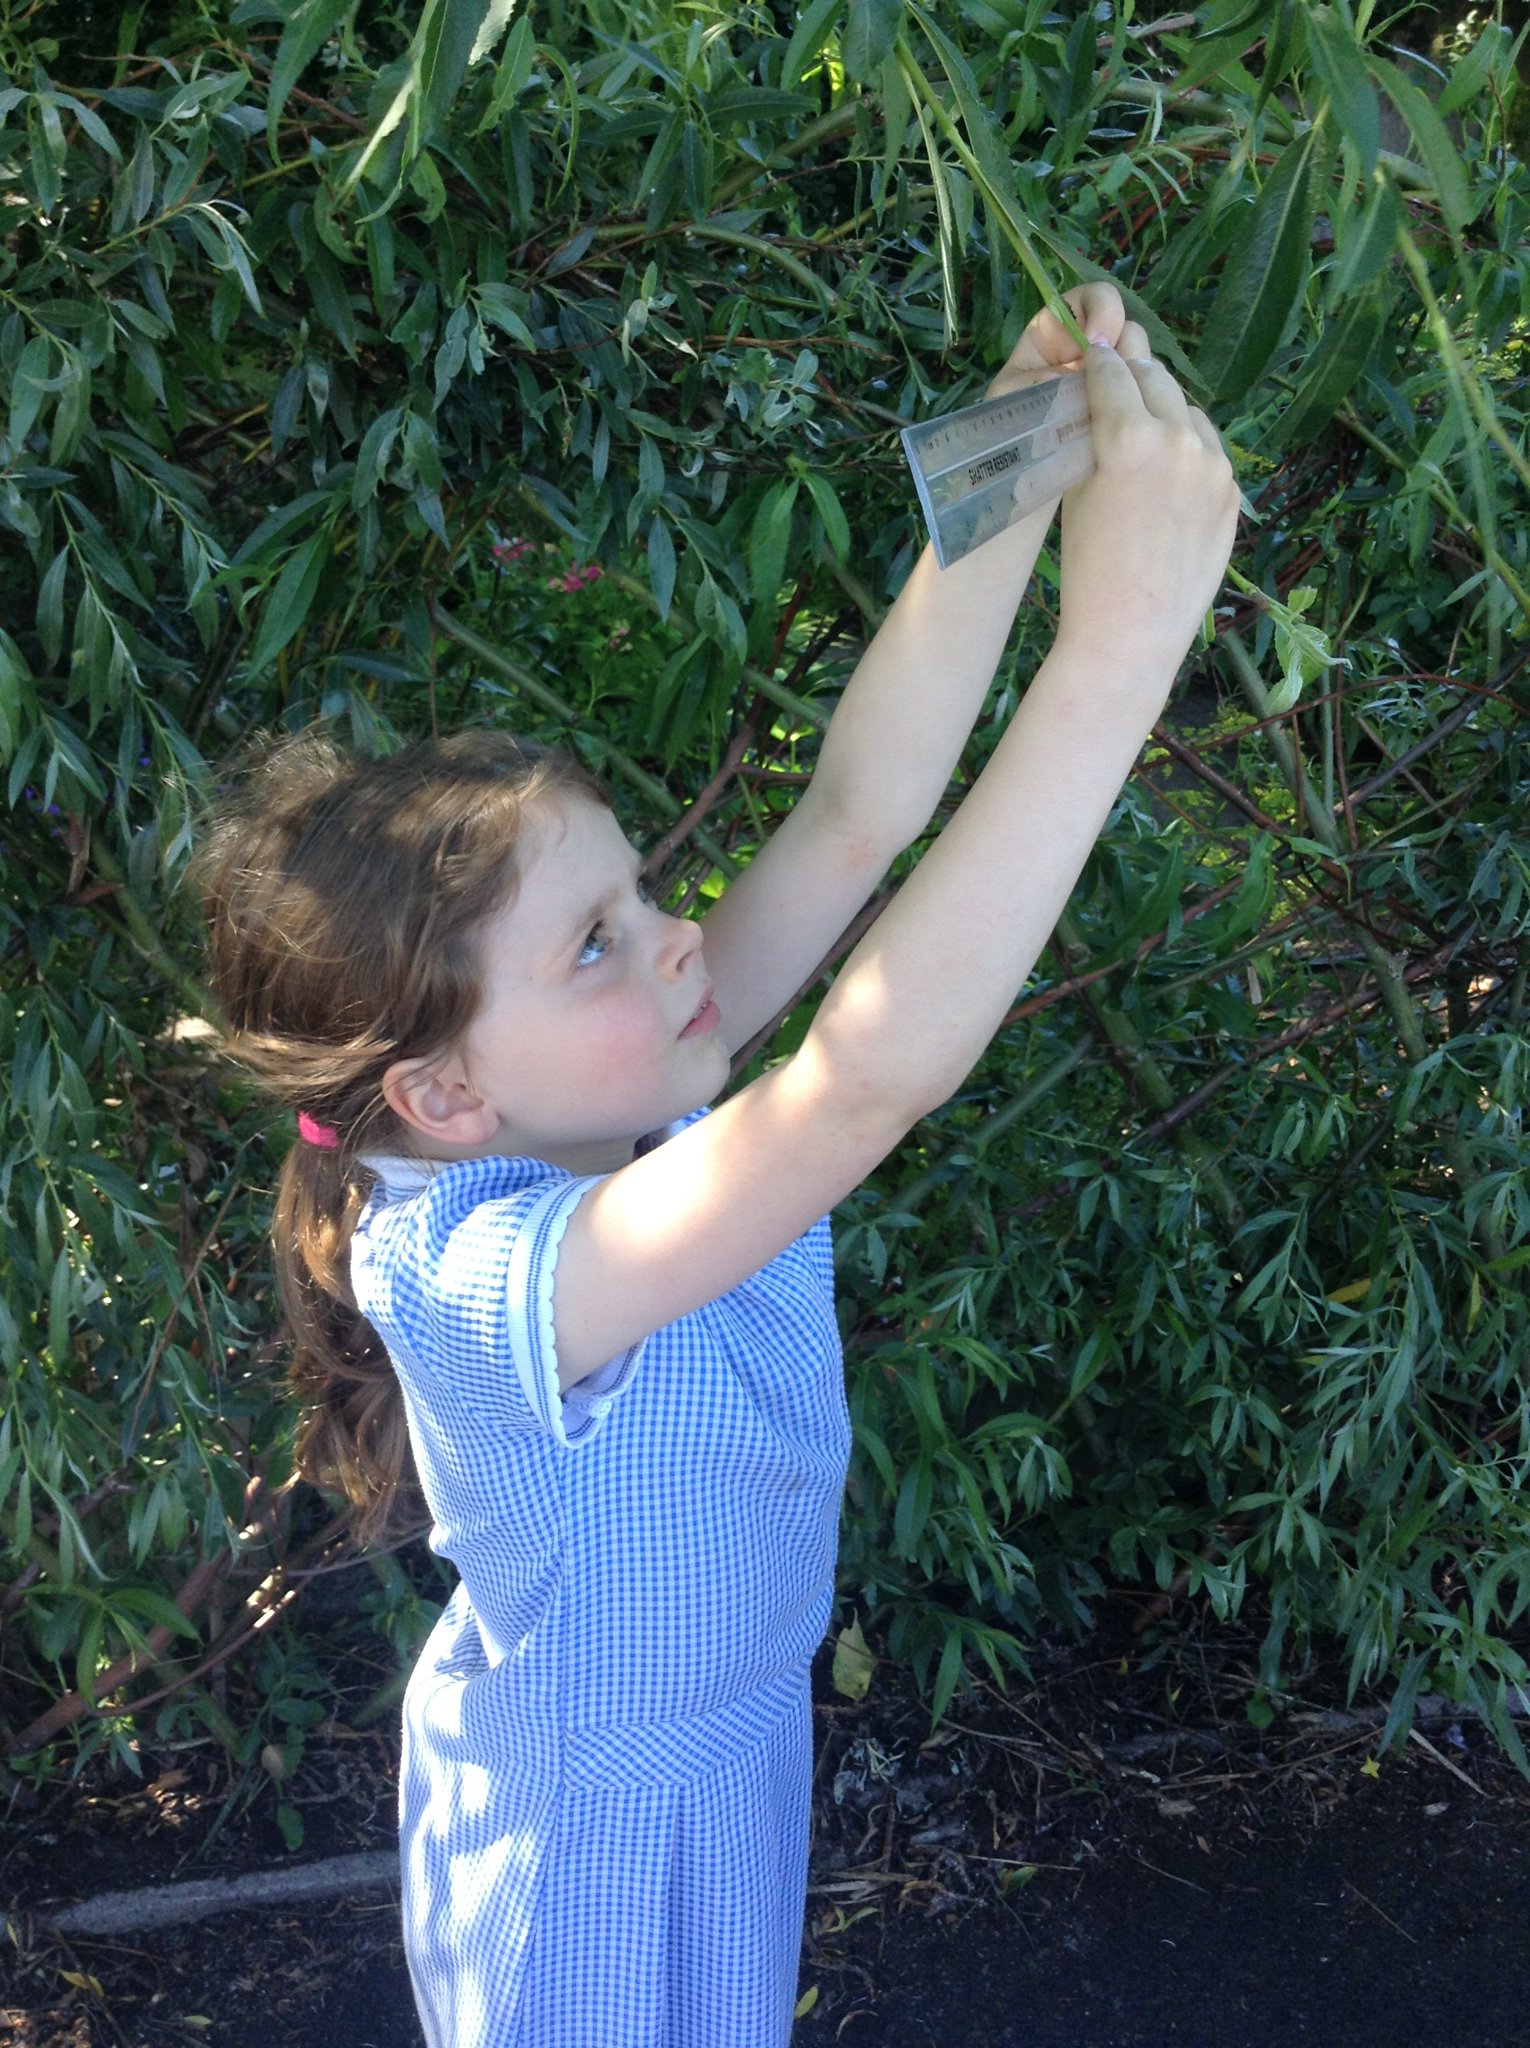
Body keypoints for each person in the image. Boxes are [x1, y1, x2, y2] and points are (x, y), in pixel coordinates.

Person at [195, 281, 1238, 2048]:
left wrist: (1009, 467)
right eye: (598, 938)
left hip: (713, 1765)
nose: (679, 942)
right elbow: (857, 1086)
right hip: (582, 1839)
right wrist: (1120, 648)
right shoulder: (484, 1265)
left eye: (641, 895)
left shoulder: (618, 1089)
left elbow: (851, 814)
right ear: (443, 1095)